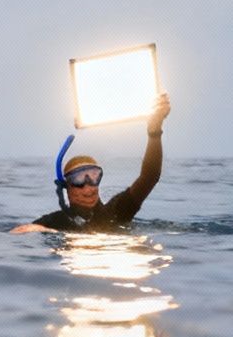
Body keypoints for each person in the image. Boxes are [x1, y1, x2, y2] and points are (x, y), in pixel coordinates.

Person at [11, 94, 170, 233]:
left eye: (94, 176)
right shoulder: (54, 222)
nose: (89, 187)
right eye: (79, 179)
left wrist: (154, 132)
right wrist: (37, 230)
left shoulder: (117, 212)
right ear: (66, 186)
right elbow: (16, 234)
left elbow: (150, 176)